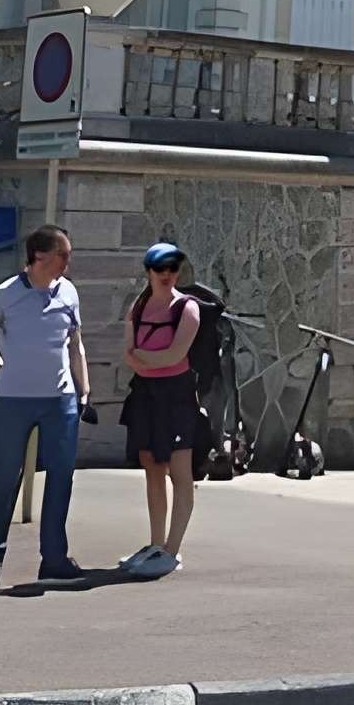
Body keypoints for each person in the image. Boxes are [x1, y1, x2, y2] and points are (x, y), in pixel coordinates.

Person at [0, 223, 90, 584]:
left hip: (61, 400)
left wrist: (84, 388)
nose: (67, 262)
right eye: (61, 255)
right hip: (15, 400)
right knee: (5, 477)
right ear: (39, 257)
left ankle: (54, 558)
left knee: (61, 478)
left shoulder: (68, 292)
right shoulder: (5, 294)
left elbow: (75, 342)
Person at [117, 242, 204, 579]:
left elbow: (174, 355)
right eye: (159, 268)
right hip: (146, 394)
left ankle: (172, 550)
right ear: (149, 271)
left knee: (180, 472)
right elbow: (129, 354)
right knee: (152, 465)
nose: (167, 274)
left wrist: (141, 356)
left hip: (177, 394)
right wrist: (141, 357)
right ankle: (156, 545)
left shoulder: (187, 308)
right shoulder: (138, 306)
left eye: (173, 268)